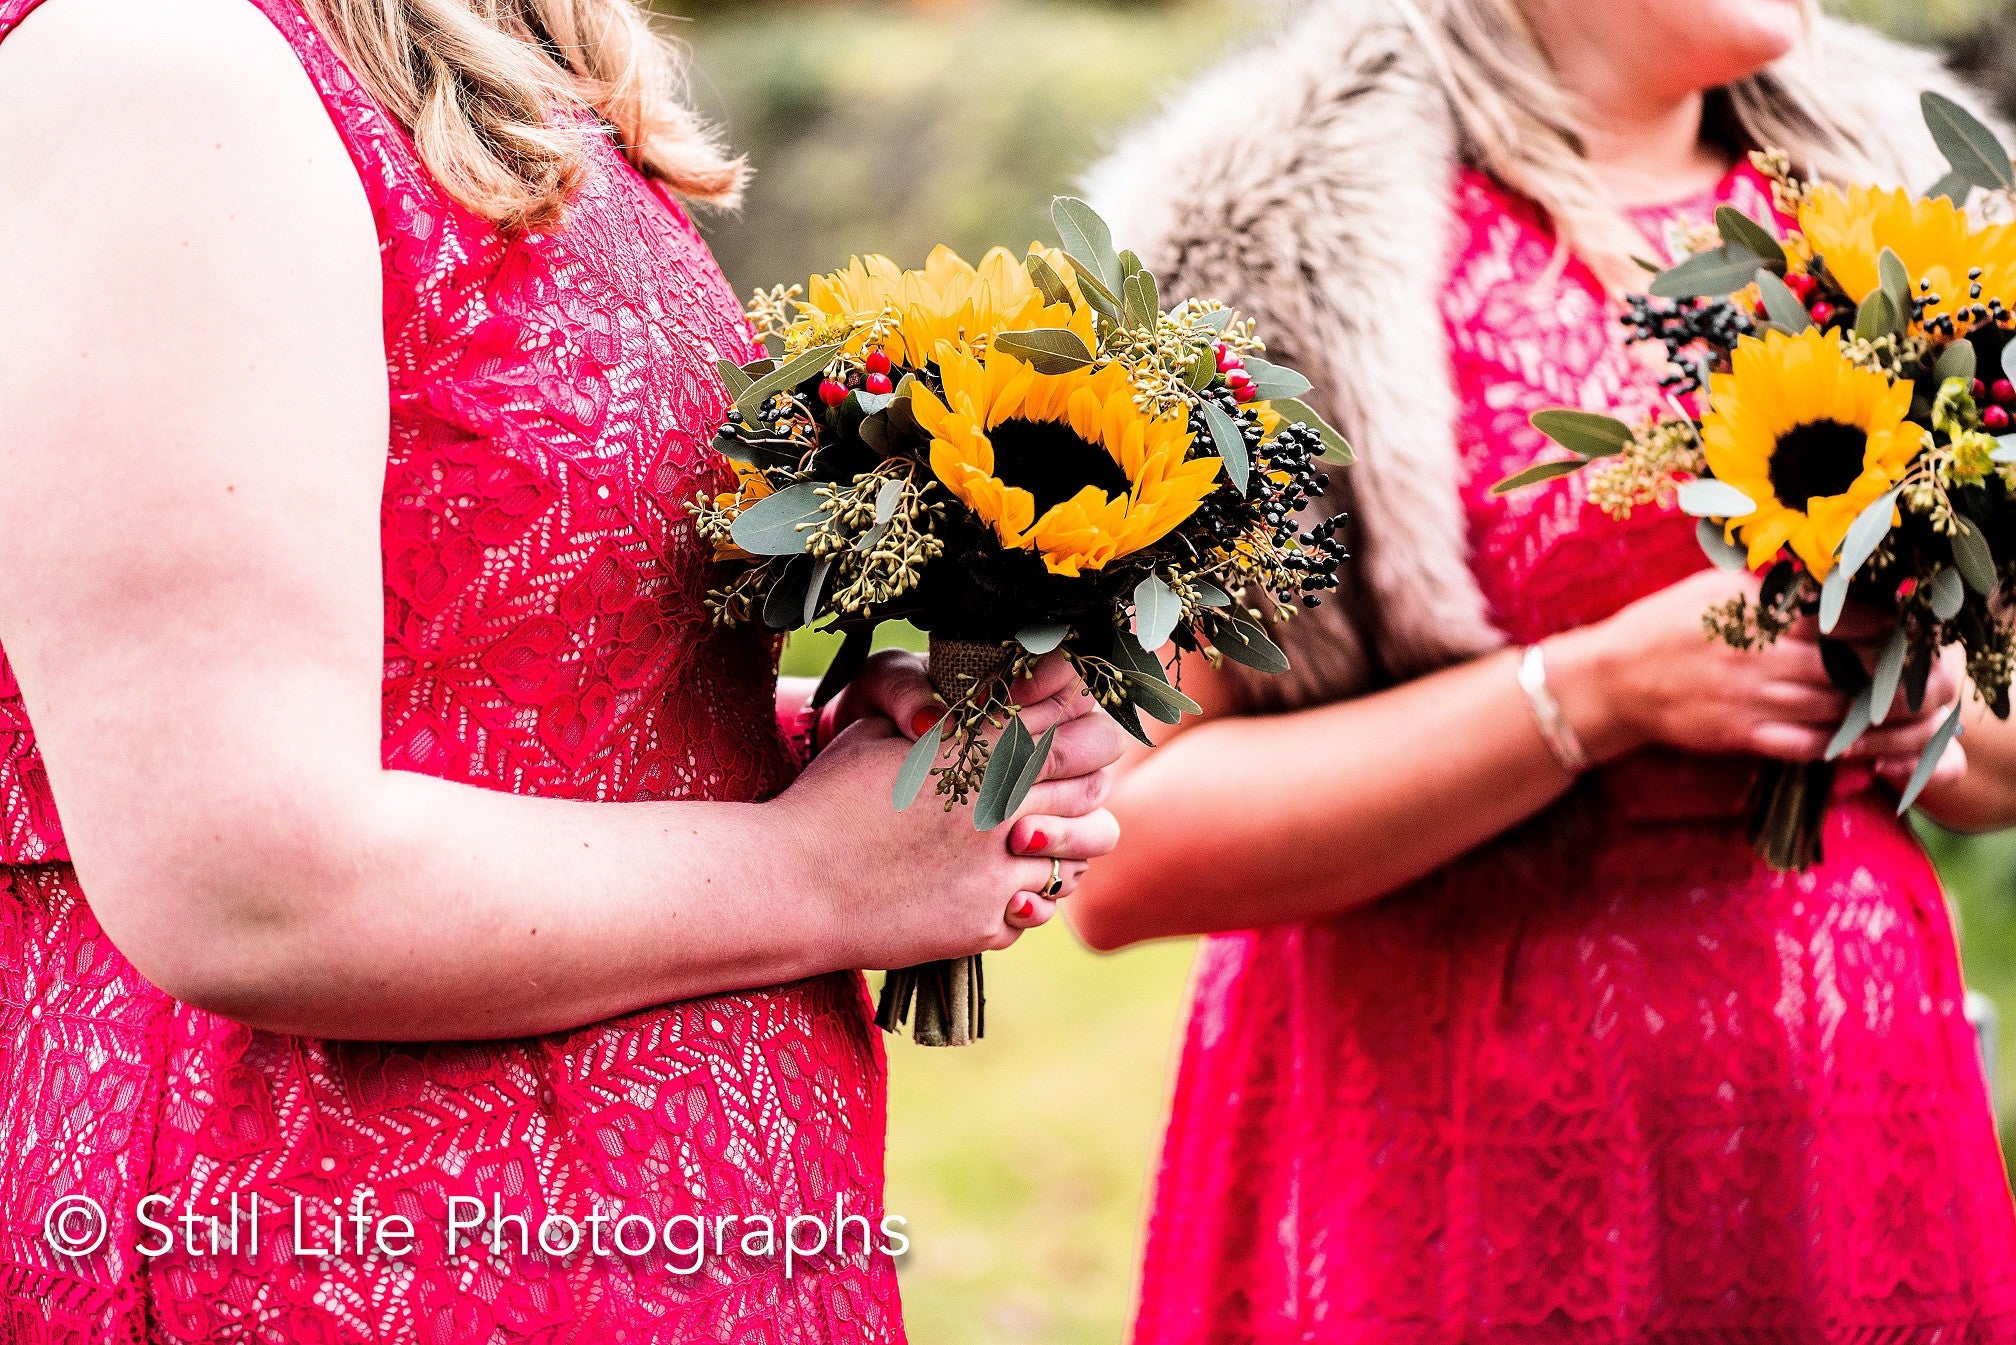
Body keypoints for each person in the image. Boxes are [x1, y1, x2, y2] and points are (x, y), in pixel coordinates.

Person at [0, 0, 1123, 1338]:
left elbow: (475, 681)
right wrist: (817, 875)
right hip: (346, 1240)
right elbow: (236, 873)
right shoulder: (165, 68)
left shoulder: (476, 65)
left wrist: (831, 753)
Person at [1075, 0, 2016, 1337]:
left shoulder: (1923, 216)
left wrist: (1922, 704)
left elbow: (1999, 750)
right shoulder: (1265, 259)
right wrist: (1591, 693)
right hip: (1443, 1169)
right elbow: (1123, 850)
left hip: (1852, 1142)